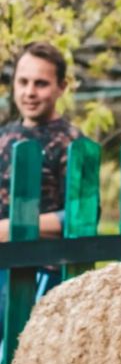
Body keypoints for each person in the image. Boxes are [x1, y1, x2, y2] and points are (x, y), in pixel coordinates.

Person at [0, 41, 84, 340]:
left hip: (44, 273)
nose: (29, 92)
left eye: (41, 83)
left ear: (61, 87)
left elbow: (80, 216)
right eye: (22, 82)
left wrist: (10, 228)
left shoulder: (72, 143)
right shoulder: (5, 135)